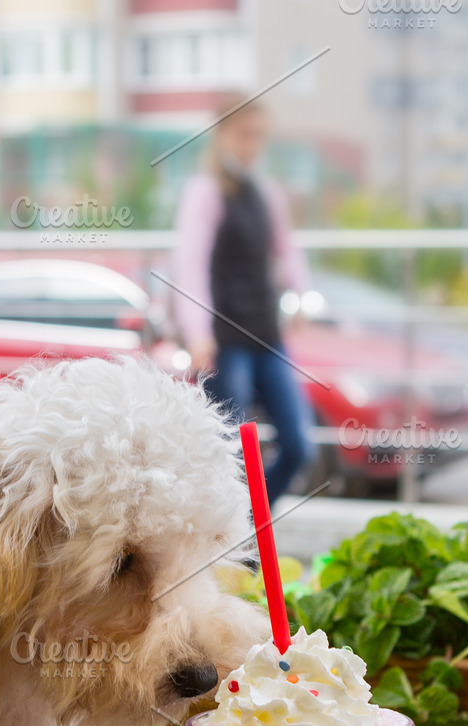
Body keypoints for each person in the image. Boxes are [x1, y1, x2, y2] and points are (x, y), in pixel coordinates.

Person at [172, 95, 316, 502]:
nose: (252, 145)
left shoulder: (266, 192)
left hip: (267, 333)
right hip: (224, 341)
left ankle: (250, 532)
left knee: (298, 445)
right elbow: (191, 266)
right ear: (221, 136)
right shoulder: (205, 191)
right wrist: (198, 332)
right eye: (244, 134)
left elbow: (287, 248)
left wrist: (302, 294)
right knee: (230, 454)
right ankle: (236, 543)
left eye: (259, 136)